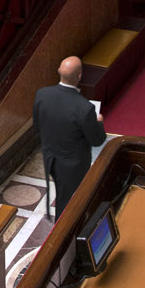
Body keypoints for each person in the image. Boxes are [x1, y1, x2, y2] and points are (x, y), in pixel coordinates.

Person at [33, 55, 105, 211]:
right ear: (79, 76)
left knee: (63, 193)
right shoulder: (85, 108)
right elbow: (97, 140)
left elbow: (37, 124)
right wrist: (99, 122)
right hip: (72, 166)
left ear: (59, 71)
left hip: (50, 157)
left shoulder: (42, 94)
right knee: (67, 205)